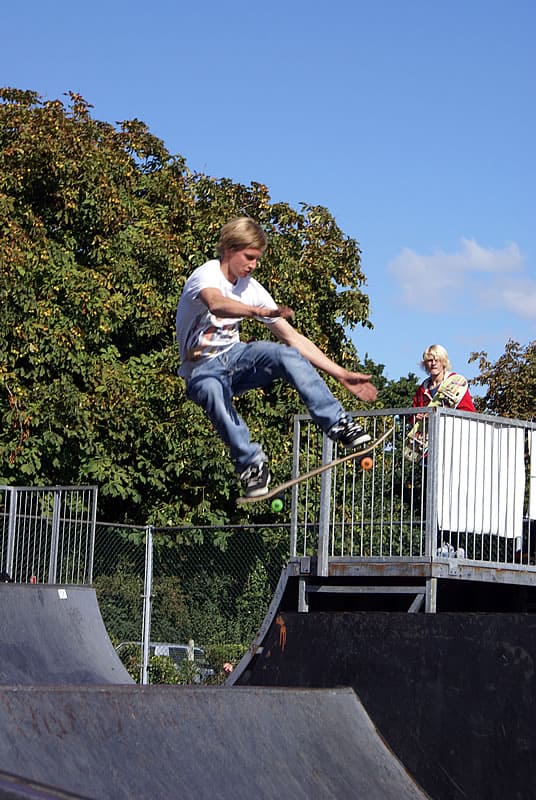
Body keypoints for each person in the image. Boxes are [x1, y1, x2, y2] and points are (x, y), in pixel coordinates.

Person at [176, 217, 378, 497]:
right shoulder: (207, 274)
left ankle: (339, 424)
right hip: (201, 370)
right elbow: (216, 303)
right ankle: (251, 465)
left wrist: (340, 374)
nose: (253, 266)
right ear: (230, 249)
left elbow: (293, 338)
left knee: (283, 353)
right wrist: (257, 312)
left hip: (236, 359)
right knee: (211, 390)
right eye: (249, 257)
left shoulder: (252, 289)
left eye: (257, 259)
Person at [412, 344, 475, 412]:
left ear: (443, 362)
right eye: (430, 360)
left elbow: (468, 411)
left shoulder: (456, 382)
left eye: (437, 360)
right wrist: (417, 415)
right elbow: (413, 414)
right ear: (425, 363)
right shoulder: (422, 389)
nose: (433, 363)